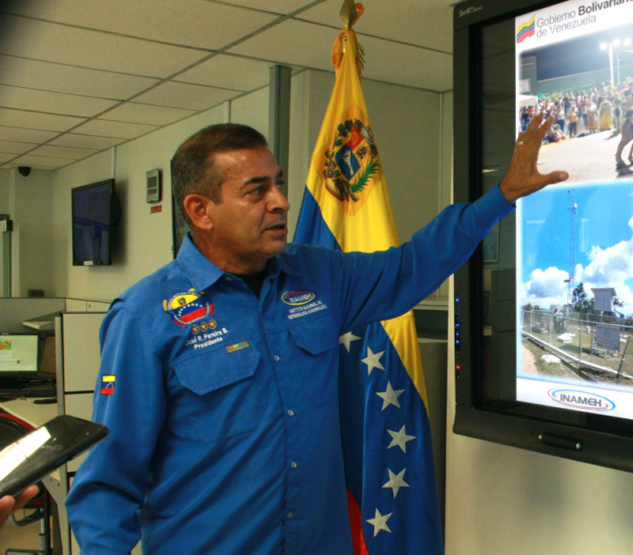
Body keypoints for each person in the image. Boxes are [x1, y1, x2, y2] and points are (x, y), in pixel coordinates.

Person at [65, 113, 568, 554]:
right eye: (256, 190)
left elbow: (410, 267)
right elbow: (110, 479)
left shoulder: (318, 276)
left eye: (278, 183)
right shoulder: (144, 318)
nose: (281, 201)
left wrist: (500, 198)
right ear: (201, 211)